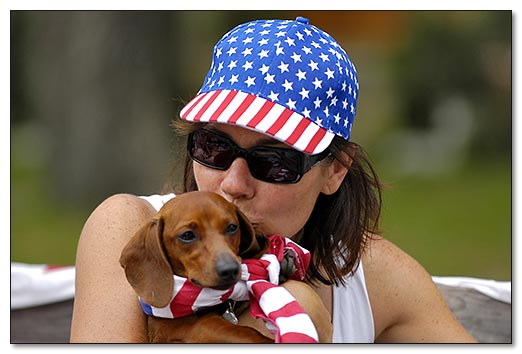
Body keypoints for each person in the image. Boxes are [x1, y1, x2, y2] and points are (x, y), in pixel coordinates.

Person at [70, 16, 476, 343]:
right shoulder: (129, 225)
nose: (233, 183)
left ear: (334, 170)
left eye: (274, 161)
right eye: (214, 147)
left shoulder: (374, 276)